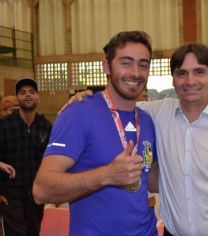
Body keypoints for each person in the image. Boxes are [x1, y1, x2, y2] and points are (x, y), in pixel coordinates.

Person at [66, 42, 208, 236]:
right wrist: (87, 98)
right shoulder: (155, 113)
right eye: (181, 73)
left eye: (199, 71)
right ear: (173, 79)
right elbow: (115, 103)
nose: (190, 81)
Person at [33, 31, 158, 236]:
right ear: (106, 66)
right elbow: (41, 190)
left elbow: (150, 178)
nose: (136, 72)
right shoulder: (79, 112)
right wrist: (107, 175)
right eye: (126, 63)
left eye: (143, 64)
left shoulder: (146, 119)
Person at [0, 78, 52, 236]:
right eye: (22, 93)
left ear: (38, 97)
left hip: (36, 193)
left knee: (33, 232)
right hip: (10, 193)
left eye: (32, 92)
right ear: (17, 98)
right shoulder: (4, 125)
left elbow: (52, 159)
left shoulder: (46, 126)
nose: (27, 95)